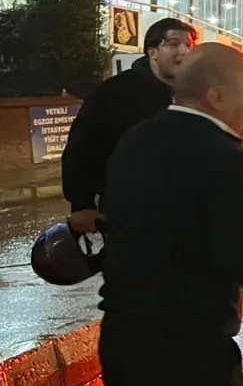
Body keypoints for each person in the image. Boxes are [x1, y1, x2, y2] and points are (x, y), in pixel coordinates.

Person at [96, 43, 243, 386]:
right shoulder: (221, 157)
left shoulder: (135, 140)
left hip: (124, 338)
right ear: (216, 96)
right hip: (190, 350)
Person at [62, 18, 197, 234]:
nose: (184, 51)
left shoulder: (195, 93)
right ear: (152, 52)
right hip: (128, 213)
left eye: (189, 45)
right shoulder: (114, 94)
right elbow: (82, 148)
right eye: (173, 44)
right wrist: (81, 204)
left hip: (182, 215)